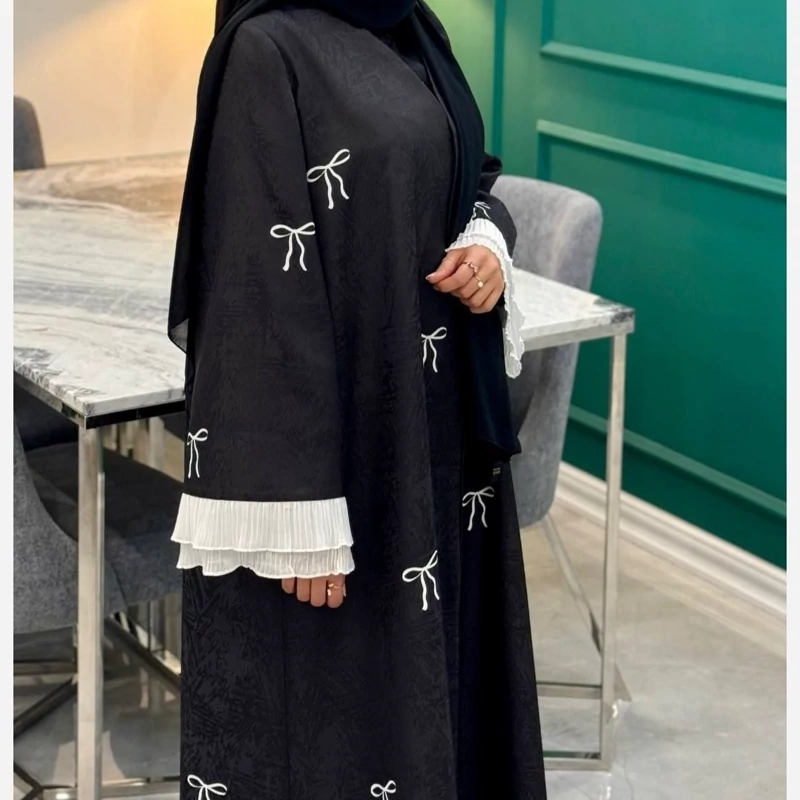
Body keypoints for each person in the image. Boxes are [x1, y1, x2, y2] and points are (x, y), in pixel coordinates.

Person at [167, 1, 547, 797]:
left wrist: (487, 240)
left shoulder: (411, 24)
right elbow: (254, 279)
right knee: (341, 725)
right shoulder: (267, 48)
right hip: (339, 457)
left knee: (438, 700)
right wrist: (295, 509)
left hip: (434, 434)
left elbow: (464, 173)